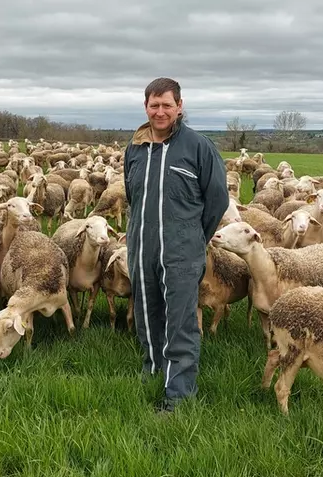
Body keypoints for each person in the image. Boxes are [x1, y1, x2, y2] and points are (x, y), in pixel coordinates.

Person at [123, 77, 229, 413]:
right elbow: (132, 195)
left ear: (179, 106)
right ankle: (153, 370)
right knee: (147, 314)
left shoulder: (198, 147)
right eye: (154, 105)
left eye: (167, 105)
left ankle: (178, 396)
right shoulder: (135, 149)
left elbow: (217, 200)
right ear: (145, 107)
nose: (160, 111)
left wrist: (193, 236)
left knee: (180, 321)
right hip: (142, 245)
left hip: (182, 248)